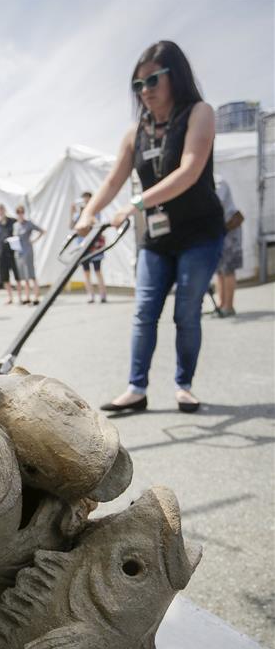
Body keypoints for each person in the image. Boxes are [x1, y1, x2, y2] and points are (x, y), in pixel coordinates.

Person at [75, 40, 224, 414]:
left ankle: (183, 385)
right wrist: (89, 213)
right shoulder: (135, 132)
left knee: (186, 311)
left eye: (153, 80)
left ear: (175, 76)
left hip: (199, 234)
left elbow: (189, 171)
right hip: (156, 238)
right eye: (138, 85)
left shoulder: (199, 113)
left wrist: (135, 204)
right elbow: (112, 181)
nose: (145, 91)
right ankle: (136, 388)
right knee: (144, 311)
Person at [70, 192, 108, 303]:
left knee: (97, 270)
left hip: (94, 245)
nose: (85, 202)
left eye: (87, 200)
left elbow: (96, 224)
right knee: (86, 272)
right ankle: (90, 295)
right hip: (83, 246)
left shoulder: (95, 211)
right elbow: (72, 227)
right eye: (84, 200)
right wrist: (73, 212)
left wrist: (87, 213)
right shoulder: (78, 214)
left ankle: (103, 295)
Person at [214, 176, 243, 317]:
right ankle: (221, 304)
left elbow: (216, 203)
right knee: (219, 270)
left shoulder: (218, 181)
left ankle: (229, 307)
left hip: (230, 228)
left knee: (228, 269)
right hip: (219, 230)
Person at [13, 206, 45, 305]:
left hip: (27, 251)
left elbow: (42, 231)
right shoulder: (16, 225)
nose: (20, 214)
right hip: (19, 252)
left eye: (21, 212)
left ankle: (36, 296)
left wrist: (34, 240)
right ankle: (27, 297)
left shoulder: (28, 224)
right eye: (18, 212)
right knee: (24, 276)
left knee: (31, 274)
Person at [0, 204, 20, 304]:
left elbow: (18, 234)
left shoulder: (12, 221)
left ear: (5, 210)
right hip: (2, 254)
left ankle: (20, 296)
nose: (1, 212)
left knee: (17, 275)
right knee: (5, 276)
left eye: (2, 209)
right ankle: (10, 297)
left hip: (13, 252)